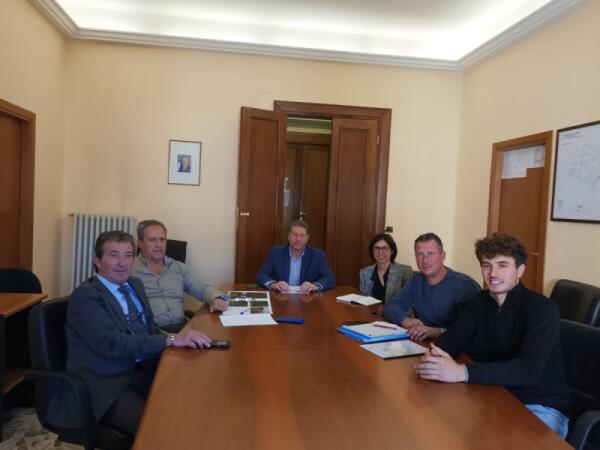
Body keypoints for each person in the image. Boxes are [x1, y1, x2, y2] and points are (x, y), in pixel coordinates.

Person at [415, 234, 570, 438]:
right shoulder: (479, 302)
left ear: (520, 270)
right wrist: (434, 357)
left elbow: (529, 370)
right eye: (487, 265)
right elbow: (452, 339)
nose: (493, 273)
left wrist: (462, 372)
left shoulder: (541, 308)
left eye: (502, 265)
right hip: (494, 394)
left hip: (539, 405)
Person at [63, 230, 212, 440]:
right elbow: (114, 343)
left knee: (193, 402)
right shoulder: (86, 297)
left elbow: (150, 329)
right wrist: (171, 339)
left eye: (128, 255)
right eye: (113, 255)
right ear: (97, 260)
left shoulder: (134, 285)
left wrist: (181, 339)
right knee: (163, 431)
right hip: (108, 383)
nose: (122, 263)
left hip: (142, 369)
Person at [132, 219, 228, 333]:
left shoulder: (178, 267)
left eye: (162, 239)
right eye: (152, 240)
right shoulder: (129, 270)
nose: (159, 245)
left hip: (182, 328)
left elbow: (201, 288)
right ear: (140, 243)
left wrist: (216, 298)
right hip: (151, 333)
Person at [383, 232, 480, 341]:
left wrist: (436, 332)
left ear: (443, 256)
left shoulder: (464, 286)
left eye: (430, 254)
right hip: (426, 343)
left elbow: (472, 329)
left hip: (457, 347)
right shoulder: (416, 280)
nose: (425, 260)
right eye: (420, 254)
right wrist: (405, 320)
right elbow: (391, 306)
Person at [256, 220, 335, 293]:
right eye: (294, 235)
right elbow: (261, 275)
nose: (298, 239)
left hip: (307, 299)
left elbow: (329, 278)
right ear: (288, 236)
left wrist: (315, 286)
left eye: (302, 235)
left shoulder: (318, 255)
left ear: (307, 238)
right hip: (280, 297)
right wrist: (274, 284)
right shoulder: (276, 252)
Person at [359, 233, 412, 303]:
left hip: (395, 310)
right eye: (376, 248)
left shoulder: (404, 271)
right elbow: (364, 301)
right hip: (372, 310)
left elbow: (410, 302)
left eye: (384, 248)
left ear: (392, 251)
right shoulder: (364, 273)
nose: (380, 252)